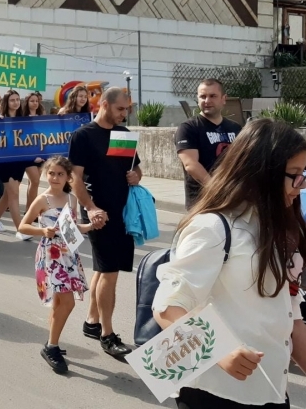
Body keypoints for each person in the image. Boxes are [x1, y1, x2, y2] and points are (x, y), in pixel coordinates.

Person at [153, 119, 306, 409]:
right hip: (214, 392)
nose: (301, 186)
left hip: (271, 388)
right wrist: (219, 351)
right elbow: (168, 305)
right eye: (295, 175)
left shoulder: (275, 227)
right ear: (263, 172)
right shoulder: (212, 228)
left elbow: (291, 317)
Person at [68, 86, 139, 357]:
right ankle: (108, 335)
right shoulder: (84, 136)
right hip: (99, 213)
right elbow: (75, 178)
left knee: (104, 269)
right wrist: (91, 208)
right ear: (105, 105)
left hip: (123, 213)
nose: (124, 114)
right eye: (120, 109)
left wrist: (137, 175)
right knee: (109, 274)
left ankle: (92, 322)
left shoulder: (124, 135)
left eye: (126, 109)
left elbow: (134, 168)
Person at [19, 156, 91, 375]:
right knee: (67, 303)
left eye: (60, 174)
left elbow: (72, 229)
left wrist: (91, 225)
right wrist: (42, 231)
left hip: (68, 254)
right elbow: (22, 226)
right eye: (51, 173)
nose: (55, 178)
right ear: (45, 175)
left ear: (68, 177)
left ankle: (52, 342)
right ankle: (52, 346)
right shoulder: (42, 200)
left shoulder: (71, 200)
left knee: (60, 303)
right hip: (51, 257)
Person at [175, 79, 242, 210]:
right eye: (203, 96)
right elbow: (191, 165)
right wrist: (216, 189)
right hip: (201, 203)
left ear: (224, 99)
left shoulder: (235, 128)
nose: (207, 101)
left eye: (213, 96)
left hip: (232, 200)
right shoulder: (189, 128)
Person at [0, 90, 33, 240]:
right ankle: (20, 229)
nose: (16, 102)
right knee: (14, 194)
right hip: (4, 160)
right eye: (12, 100)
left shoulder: (23, 119)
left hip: (19, 160)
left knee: (9, 194)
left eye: (17, 99)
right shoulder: (0, 119)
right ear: (6, 102)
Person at [22, 91, 46, 212]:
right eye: (32, 101)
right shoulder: (23, 118)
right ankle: (32, 211)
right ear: (27, 102)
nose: (35, 103)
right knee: (35, 181)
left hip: (41, 153)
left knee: (33, 183)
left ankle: (28, 209)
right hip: (28, 154)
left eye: (37, 101)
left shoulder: (42, 117)